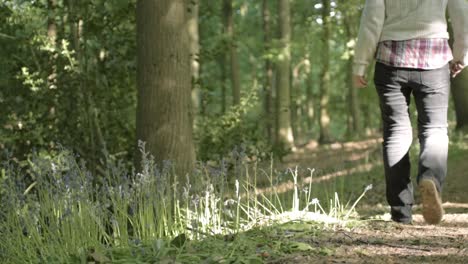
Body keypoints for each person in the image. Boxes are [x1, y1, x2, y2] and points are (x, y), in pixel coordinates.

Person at [353, 0, 468, 224]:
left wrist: (360, 63)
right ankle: (430, 179)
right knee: (435, 129)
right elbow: (462, 11)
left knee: (396, 132)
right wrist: (462, 54)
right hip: (434, 58)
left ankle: (400, 211)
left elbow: (372, 19)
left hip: (391, 60)